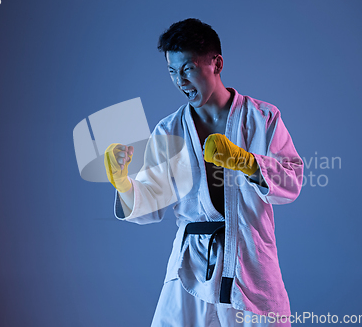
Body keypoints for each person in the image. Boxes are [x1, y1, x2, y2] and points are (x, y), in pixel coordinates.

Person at [104, 18, 304, 327]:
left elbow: (292, 181)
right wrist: (124, 184)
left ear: (216, 63)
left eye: (187, 69)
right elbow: (152, 200)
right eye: (172, 72)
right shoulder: (169, 131)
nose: (180, 82)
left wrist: (246, 161)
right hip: (191, 267)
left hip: (250, 263)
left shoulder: (262, 118)